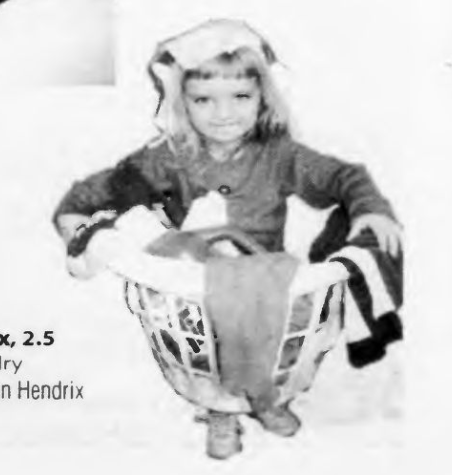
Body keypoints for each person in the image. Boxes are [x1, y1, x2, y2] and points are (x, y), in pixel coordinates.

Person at [52, 19, 402, 459]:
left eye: (240, 96)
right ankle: (222, 412)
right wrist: (76, 223)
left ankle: (269, 399)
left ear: (262, 98)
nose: (224, 113)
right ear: (182, 102)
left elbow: (342, 176)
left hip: (263, 276)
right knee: (206, 350)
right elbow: (98, 190)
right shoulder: (169, 157)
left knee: (282, 341)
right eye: (204, 99)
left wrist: (371, 208)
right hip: (192, 282)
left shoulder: (279, 156)